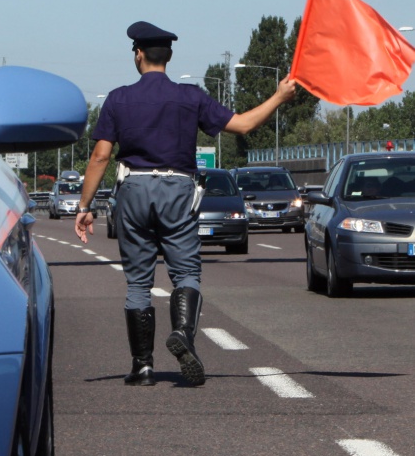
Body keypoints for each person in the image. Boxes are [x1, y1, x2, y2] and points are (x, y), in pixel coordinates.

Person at [74, 20, 296, 388]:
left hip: (133, 189)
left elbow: (100, 156)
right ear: (170, 56)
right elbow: (241, 125)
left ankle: (142, 367)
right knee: (186, 273)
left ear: (138, 55)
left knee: (138, 283)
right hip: (178, 189)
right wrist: (278, 97)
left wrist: (84, 206)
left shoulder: (118, 99)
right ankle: (183, 333)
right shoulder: (190, 97)